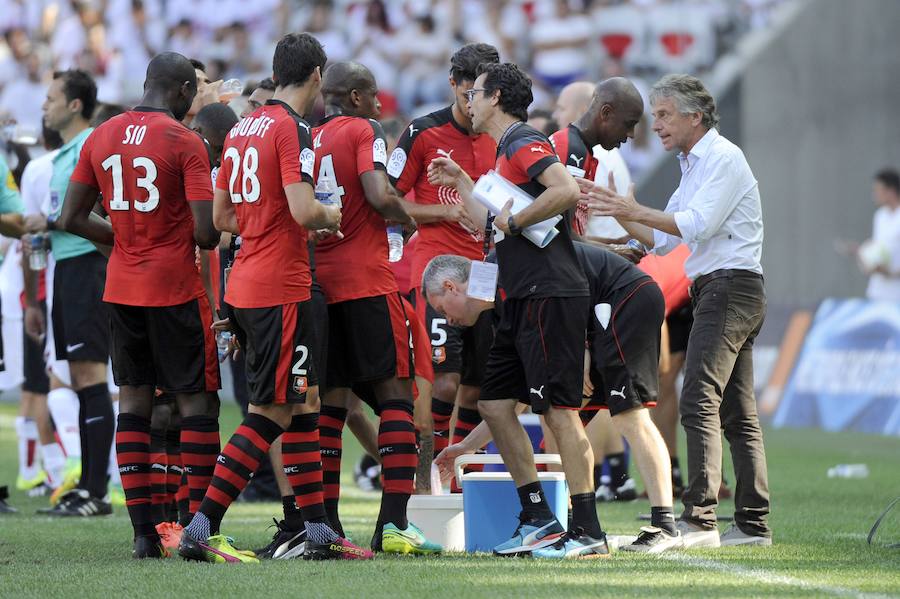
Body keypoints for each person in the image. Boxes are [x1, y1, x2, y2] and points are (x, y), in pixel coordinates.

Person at [182, 33, 370, 564]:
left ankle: (316, 530)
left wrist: (264, 223)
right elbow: (307, 211)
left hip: (244, 284)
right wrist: (331, 216)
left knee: (304, 406)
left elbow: (221, 220)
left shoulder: (243, 126)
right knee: (270, 411)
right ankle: (202, 525)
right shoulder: (293, 128)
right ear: (316, 75)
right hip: (281, 287)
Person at [426, 62, 605, 559]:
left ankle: (587, 531)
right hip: (518, 297)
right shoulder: (504, 152)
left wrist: (516, 218)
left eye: (476, 93)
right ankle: (539, 519)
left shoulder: (524, 138)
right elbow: (492, 219)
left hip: (549, 292)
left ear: (497, 96)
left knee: (559, 413)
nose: (468, 101)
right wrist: (464, 181)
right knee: (495, 403)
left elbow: (563, 191)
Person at [585, 73, 771, 547]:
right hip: (725, 287)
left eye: (665, 114)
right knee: (736, 410)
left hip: (729, 287)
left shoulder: (723, 158)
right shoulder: (694, 163)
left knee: (699, 398)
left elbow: (695, 224)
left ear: (695, 116)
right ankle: (751, 524)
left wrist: (629, 209)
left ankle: (699, 519)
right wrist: (621, 213)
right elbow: (665, 240)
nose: (657, 125)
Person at [58, 51, 223, 559]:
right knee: (196, 402)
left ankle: (143, 535)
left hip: (121, 287)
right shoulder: (185, 141)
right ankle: (197, 533)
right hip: (173, 288)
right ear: (180, 92)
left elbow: (69, 217)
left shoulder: (101, 134)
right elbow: (205, 233)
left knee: (133, 402)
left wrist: (123, 241)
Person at [424, 241, 683, 553]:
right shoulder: (500, 308)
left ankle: (661, 525)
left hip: (622, 299)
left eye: (441, 309)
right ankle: (544, 519)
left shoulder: (505, 271)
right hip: (592, 312)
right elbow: (516, 399)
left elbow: (564, 276)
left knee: (626, 416)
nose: (446, 320)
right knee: (509, 408)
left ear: (451, 287)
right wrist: (467, 446)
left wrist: (583, 347)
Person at [310, 60, 440, 555]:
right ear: (359, 97)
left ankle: (329, 527)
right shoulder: (365, 128)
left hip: (320, 285)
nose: (383, 104)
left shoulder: (310, 135)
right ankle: (393, 523)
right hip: (366, 281)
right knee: (395, 398)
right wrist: (405, 219)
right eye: (376, 95)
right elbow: (377, 192)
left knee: (332, 405)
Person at [387, 42, 499, 472]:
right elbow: (389, 202)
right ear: (452, 84)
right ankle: (425, 472)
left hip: (486, 272)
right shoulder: (422, 133)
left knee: (478, 386)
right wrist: (444, 211)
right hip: (437, 271)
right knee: (444, 382)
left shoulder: (502, 133)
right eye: (466, 94)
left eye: (482, 96)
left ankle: (460, 477)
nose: (473, 106)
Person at [28, 69, 115, 518]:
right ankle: (89, 485)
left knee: (90, 376)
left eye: (51, 98)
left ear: (75, 104)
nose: (45, 106)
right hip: (67, 266)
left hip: (87, 264)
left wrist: (49, 221)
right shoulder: (65, 153)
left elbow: (101, 204)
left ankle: (96, 491)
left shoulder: (92, 144)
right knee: (81, 380)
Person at [857, 168, 900, 300]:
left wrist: (891, 273)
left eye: (878, 190)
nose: (874, 194)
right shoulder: (880, 216)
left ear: (891, 191)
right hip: (878, 293)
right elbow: (879, 249)